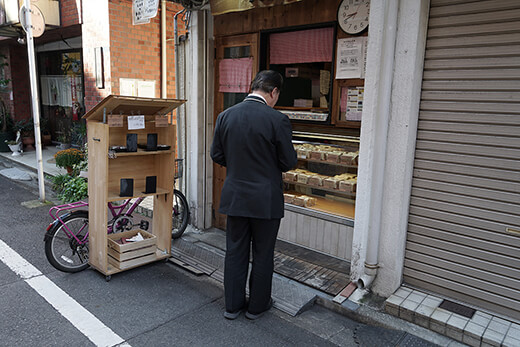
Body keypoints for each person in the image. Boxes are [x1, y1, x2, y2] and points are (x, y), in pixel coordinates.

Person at [210, 70, 297, 320]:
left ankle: (232, 306)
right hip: (266, 200)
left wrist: (238, 165)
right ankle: (257, 307)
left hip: (236, 195)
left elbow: (216, 155)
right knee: (262, 253)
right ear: (274, 92)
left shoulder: (225, 116)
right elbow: (288, 161)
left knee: (235, 251)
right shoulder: (277, 119)